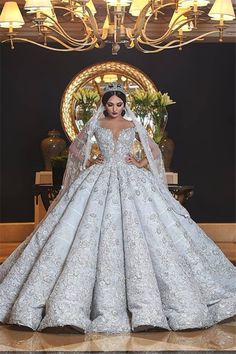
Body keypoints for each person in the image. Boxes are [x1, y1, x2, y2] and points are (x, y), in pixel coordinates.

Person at [0, 83, 236, 334]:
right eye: (110, 104)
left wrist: (138, 161)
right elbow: (74, 149)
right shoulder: (95, 124)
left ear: (125, 105)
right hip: (99, 176)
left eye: (119, 105)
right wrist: (91, 160)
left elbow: (153, 151)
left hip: (129, 176)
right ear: (104, 104)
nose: (114, 109)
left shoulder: (132, 125)